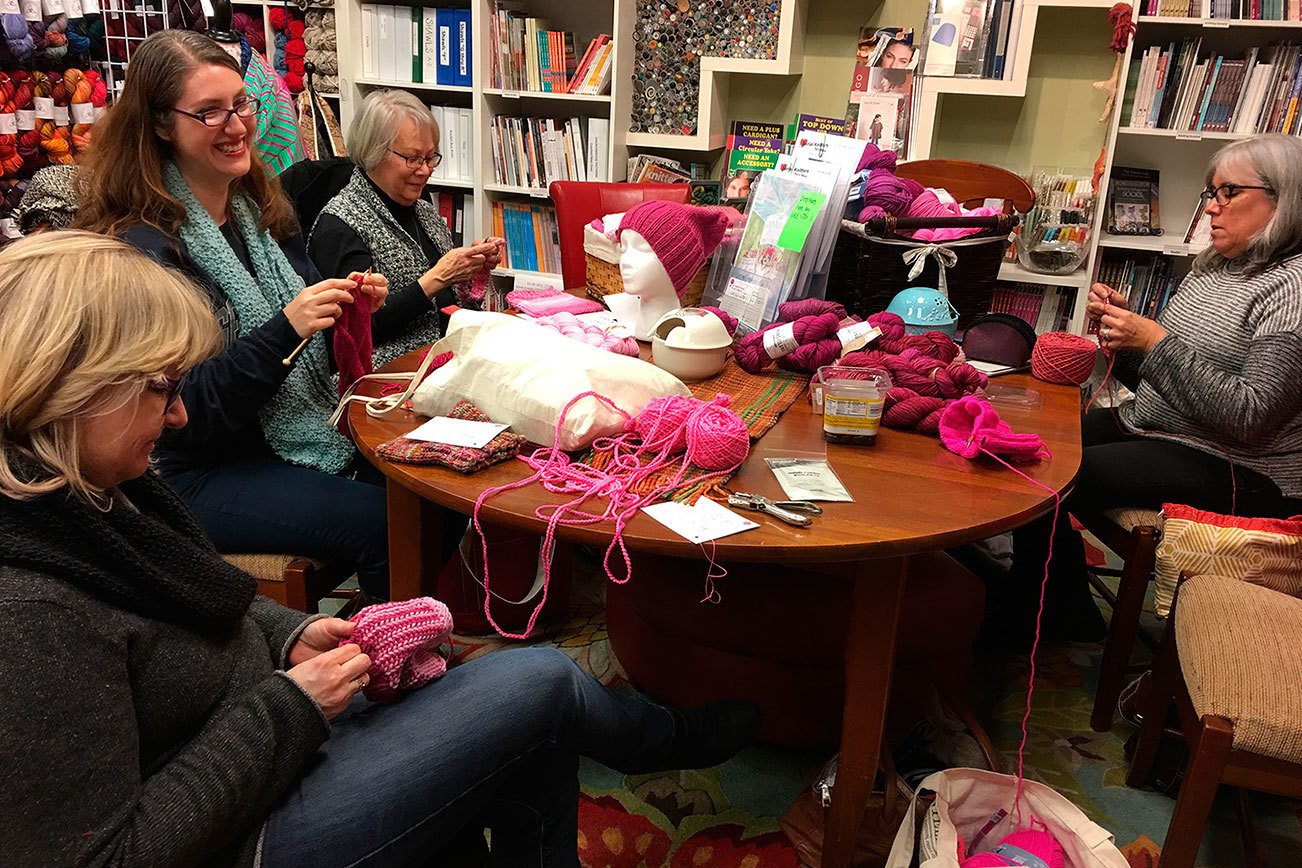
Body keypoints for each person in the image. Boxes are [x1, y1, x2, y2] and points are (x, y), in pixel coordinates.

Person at [0, 231, 761, 868]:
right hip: (245, 833)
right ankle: (659, 741)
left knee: (530, 733)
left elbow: (201, 601)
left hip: (261, 752)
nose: (176, 414)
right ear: (70, 388)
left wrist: (291, 633)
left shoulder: (97, 492)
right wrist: (290, 706)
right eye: (158, 386)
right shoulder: (28, 614)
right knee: (539, 682)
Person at [75, 30, 394, 600]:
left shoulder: (262, 211)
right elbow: (184, 410)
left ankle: (395, 641)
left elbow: (298, 304)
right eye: (209, 112)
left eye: (240, 103)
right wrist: (288, 327)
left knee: (417, 484)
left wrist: (341, 300)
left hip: (282, 435)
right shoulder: (143, 250)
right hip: (193, 472)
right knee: (386, 521)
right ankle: (376, 667)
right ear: (158, 124)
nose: (238, 126)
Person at [1006, 134, 1302, 643]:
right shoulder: (1213, 270)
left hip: (1241, 466)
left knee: (1045, 470)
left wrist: (1155, 341)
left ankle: (1054, 611)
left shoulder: (1292, 288)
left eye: (1228, 192)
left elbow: (1250, 416)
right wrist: (1124, 337)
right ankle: (1053, 598)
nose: (1211, 206)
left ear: (1284, 198)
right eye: (1210, 192)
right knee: (1025, 443)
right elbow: (1167, 385)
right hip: (1164, 429)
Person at [308, 88, 504, 366]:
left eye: (430, 158)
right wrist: (437, 278)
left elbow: (447, 303)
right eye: (412, 158)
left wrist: (469, 271)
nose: (424, 170)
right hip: (384, 375)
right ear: (373, 152)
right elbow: (353, 334)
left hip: (440, 357)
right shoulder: (339, 225)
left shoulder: (423, 211)